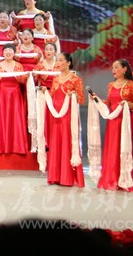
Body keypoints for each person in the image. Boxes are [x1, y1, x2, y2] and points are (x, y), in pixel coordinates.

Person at [92, 59, 133, 192]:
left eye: (116, 67)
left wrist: (127, 104)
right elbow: (109, 103)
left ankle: (127, 180)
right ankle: (112, 179)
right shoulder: (111, 85)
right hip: (113, 121)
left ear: (124, 69)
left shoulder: (132, 85)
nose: (113, 70)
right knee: (113, 149)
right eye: (112, 68)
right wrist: (97, 99)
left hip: (126, 122)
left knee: (125, 148)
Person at [45, 52, 85, 187]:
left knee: (68, 142)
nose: (58, 63)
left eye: (61, 60)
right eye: (57, 60)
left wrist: (73, 95)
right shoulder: (56, 79)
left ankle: (67, 177)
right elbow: (52, 94)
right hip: (56, 115)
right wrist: (44, 92)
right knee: (57, 142)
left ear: (68, 63)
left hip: (68, 116)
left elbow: (81, 99)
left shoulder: (75, 79)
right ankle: (55, 176)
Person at [0, 45, 29, 155]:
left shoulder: (19, 66)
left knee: (16, 119)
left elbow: (23, 81)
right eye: (6, 50)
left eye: (10, 50)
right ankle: (0, 146)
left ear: (14, 53)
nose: (8, 52)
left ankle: (17, 146)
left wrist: (27, 76)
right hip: (2, 95)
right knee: (1, 118)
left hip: (15, 95)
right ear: (3, 53)